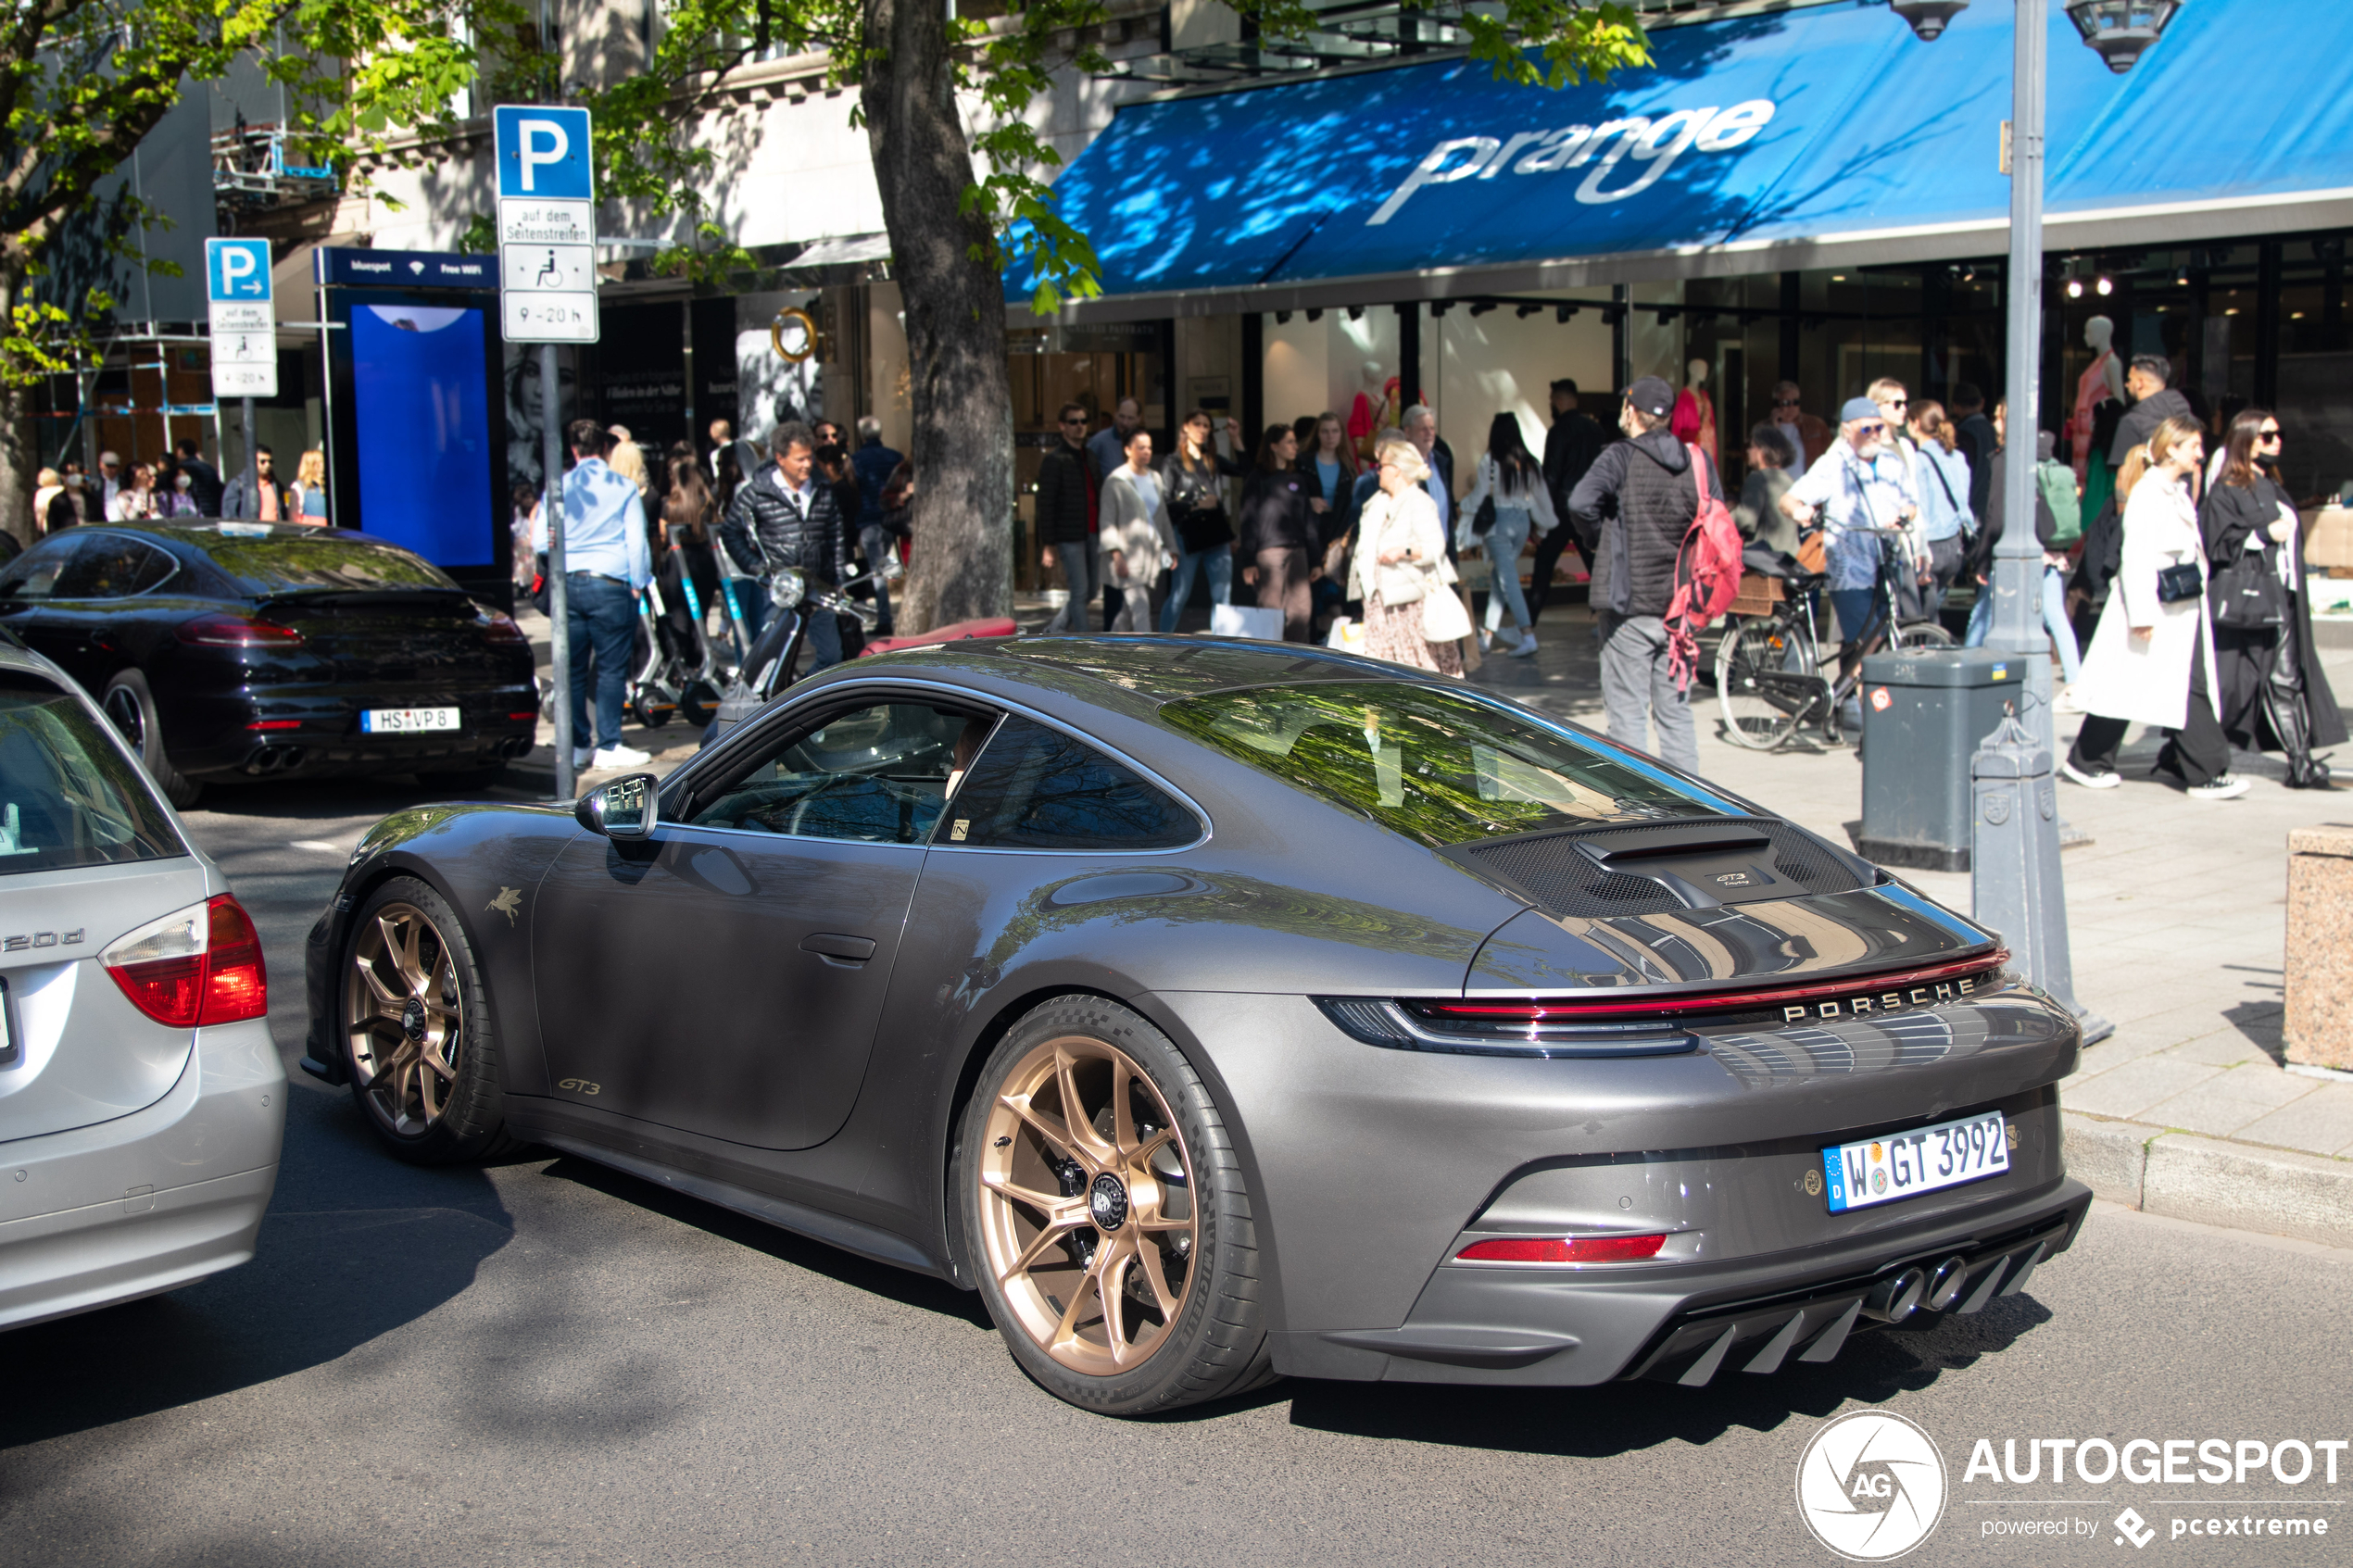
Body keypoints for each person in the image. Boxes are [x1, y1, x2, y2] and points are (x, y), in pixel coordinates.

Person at [2064, 415, 2239, 798]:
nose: (2201, 454)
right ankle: (2206, 771)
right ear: (2171, 448)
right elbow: (2137, 555)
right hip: (2158, 609)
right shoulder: (2150, 492)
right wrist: (2142, 614)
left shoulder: (2173, 490)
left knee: (2135, 684)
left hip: (2175, 609)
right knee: (2178, 684)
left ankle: (2088, 760)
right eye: (2194, 446)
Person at [1568, 376, 1725, 771]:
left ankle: (1634, 812)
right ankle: (1691, 811)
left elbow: (1581, 502)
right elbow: (1717, 516)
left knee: (1627, 718)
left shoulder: (1620, 456)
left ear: (1630, 411)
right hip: (1680, 607)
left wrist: (1600, 538)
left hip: (1629, 606)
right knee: (1676, 714)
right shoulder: (1698, 460)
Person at [2199, 408, 2343, 788]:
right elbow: (2217, 543)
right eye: (2266, 436)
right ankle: (2189, 751)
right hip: (2248, 602)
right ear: (2245, 441)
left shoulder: (2271, 485)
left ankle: (2300, 762)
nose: (2276, 441)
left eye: (2278, 435)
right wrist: (2263, 534)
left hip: (2282, 597)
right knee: (2236, 686)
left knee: (2286, 679)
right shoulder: (2227, 490)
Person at [545, 420, 654, 773]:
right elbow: (636, 542)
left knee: (573, 669)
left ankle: (579, 744)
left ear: (574, 450)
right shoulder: (623, 487)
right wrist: (638, 581)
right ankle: (608, 744)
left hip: (568, 586)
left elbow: (536, 541)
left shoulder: (557, 488)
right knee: (610, 669)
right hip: (610, 584)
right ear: (605, 449)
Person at [1779, 396, 1919, 669]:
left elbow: (1911, 503)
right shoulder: (1832, 464)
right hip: (1850, 569)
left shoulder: (1892, 462)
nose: (1874, 435)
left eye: (1878, 428)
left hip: (1887, 564)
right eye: (1866, 429)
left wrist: (1903, 516)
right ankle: (1863, 706)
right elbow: (1788, 499)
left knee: (1875, 638)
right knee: (1869, 641)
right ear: (1846, 430)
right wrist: (1800, 511)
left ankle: (1847, 701)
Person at [1962, 412, 2081, 707]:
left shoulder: (2006, 460)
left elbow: (1995, 511)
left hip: (2013, 550)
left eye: (2001, 417)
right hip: (2049, 551)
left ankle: (1962, 675)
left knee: (1983, 614)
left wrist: (1983, 558)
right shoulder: (2044, 462)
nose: (1995, 422)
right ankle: (2076, 684)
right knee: (2055, 615)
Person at [719, 420, 851, 673]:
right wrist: (756, 567)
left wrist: (839, 580)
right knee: (773, 660)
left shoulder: (822, 488)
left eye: (809, 457)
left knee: (832, 656)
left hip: (819, 585)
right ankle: (780, 706)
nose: (807, 464)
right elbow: (730, 531)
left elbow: (836, 535)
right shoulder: (757, 491)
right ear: (780, 458)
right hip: (779, 588)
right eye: (799, 459)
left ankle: (803, 701)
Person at [1349, 434, 1462, 676]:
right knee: (1381, 673)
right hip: (1378, 604)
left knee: (1417, 672)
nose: (1377, 472)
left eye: (1382, 467)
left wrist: (1404, 551)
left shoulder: (1419, 502)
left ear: (1397, 469)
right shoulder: (1376, 502)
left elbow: (1435, 547)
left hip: (1409, 607)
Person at [1458, 412, 1557, 659]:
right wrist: (1543, 527)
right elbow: (1542, 499)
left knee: (1507, 580)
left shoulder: (1490, 461)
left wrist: (1462, 507)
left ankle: (1526, 634)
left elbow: (1480, 495)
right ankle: (1488, 636)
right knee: (1501, 576)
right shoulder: (1530, 463)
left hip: (1498, 525)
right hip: (1522, 523)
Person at [1158, 408, 1243, 633]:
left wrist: (1236, 439)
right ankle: (1158, 643)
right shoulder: (1173, 462)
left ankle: (1218, 650)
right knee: (1180, 593)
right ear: (1185, 427)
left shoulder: (1212, 459)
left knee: (1222, 595)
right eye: (1198, 424)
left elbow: (1245, 469)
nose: (1203, 430)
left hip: (1215, 533)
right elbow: (1165, 502)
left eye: (1207, 425)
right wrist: (1196, 504)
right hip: (1187, 532)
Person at [1237, 424, 1319, 642]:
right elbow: (1248, 520)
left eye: (1295, 441)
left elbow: (1308, 520)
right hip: (1269, 553)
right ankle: (1270, 665)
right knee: (1270, 613)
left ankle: (1299, 665)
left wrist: (1316, 559)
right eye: (1289, 442)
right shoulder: (1257, 478)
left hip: (1298, 551)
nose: (1295, 446)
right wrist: (1248, 561)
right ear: (1274, 446)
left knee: (1301, 612)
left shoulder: (1298, 479)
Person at [1533, 379, 1605, 617]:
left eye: (1552, 400)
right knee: (1596, 564)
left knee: (1544, 563)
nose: (1551, 405)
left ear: (1561, 401)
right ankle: (1606, 614)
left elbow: (1551, 475)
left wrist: (1543, 514)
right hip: (1591, 507)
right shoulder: (1596, 430)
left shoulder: (1558, 431)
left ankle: (1529, 622)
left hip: (1563, 509)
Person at [1097, 426, 1177, 633]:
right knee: (1141, 607)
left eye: (1149, 448)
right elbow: (1107, 521)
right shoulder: (1116, 481)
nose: (1146, 452)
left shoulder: (1156, 478)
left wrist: (1171, 547)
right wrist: (1116, 555)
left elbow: (1163, 517)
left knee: (1128, 611)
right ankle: (1149, 656)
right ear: (1127, 449)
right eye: (1141, 447)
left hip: (1149, 556)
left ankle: (1109, 648)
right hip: (1127, 556)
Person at [1036, 401, 1097, 634]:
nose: (1080, 426)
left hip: (1092, 532)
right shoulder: (1054, 460)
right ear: (1062, 426)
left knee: (1090, 591)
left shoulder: (1089, 456)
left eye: (1083, 421)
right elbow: (1046, 504)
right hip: (1069, 536)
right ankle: (1085, 642)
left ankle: (1056, 627)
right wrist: (1048, 545)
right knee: (1080, 592)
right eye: (1074, 421)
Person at [1908, 400, 1974, 618]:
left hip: (1931, 546)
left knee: (1924, 615)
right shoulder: (1957, 457)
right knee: (1933, 606)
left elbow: (1920, 508)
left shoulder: (1919, 460)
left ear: (1915, 424)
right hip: (1954, 545)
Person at [849, 415, 905, 636]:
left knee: (879, 570)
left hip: (871, 522)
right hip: (889, 520)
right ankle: (885, 616)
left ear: (862, 435)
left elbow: (855, 491)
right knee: (885, 568)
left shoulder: (857, 460)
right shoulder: (894, 457)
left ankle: (884, 619)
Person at [661, 457, 724, 649]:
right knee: (701, 613)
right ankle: (700, 657)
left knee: (679, 616)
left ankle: (683, 659)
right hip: (704, 559)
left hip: (677, 560)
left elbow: (663, 535)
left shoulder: (670, 504)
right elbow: (716, 528)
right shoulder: (708, 503)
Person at [2109, 355, 2193, 472]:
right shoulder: (2187, 416)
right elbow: (2196, 470)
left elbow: (2123, 474)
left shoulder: (2131, 421)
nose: (2126, 384)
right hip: (2181, 489)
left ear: (2140, 383)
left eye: (2129, 380)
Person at [1733, 423, 1800, 558]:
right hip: (1790, 559)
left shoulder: (1758, 478)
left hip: (1765, 561)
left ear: (1761, 451)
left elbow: (1746, 518)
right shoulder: (1790, 480)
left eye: (1751, 447)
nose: (1748, 451)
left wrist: (1720, 520)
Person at [1400, 404, 1455, 547]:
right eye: (1424, 429)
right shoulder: (1402, 466)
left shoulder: (1441, 462)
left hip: (1443, 549)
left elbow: (1448, 510)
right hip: (1416, 552)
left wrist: (1452, 555)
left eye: (1432, 428)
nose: (1430, 433)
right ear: (1407, 432)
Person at [1950, 383, 1999, 518]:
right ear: (1982, 402)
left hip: (1971, 506)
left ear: (1956, 407)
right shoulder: (1995, 431)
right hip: (1992, 504)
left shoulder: (1961, 435)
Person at [1770, 382, 1833, 469]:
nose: (1792, 407)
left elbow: (1831, 454)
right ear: (1776, 404)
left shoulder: (1816, 424)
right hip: (1776, 481)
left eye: (1795, 402)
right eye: (1786, 403)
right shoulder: (1764, 427)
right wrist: (1773, 429)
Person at [1087, 397, 1143, 487]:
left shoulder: (1142, 442)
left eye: (1130, 418)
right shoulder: (1099, 441)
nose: (1125, 422)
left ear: (1138, 419)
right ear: (1115, 414)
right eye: (1121, 416)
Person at [221, 445, 282, 521]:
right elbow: (229, 517)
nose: (267, 465)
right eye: (263, 461)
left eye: (270, 462)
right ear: (252, 462)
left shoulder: (276, 486)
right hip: (248, 532)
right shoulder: (238, 485)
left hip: (274, 532)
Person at [172, 439, 224, 515]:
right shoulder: (208, 467)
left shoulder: (183, 469)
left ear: (180, 451)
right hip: (214, 510)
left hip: (195, 513)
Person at [29, 469, 70, 539]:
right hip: (67, 524)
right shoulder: (63, 489)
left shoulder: (41, 493)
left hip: (50, 527)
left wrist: (39, 526)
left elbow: (40, 511)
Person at [291, 450, 329, 522]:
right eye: (322, 461)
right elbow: (294, 517)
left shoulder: (327, 485)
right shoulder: (299, 486)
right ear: (313, 465)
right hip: (310, 532)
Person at [96, 450, 122, 517]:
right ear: (101, 465)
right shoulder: (95, 483)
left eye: (114, 466)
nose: (112, 470)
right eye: (109, 466)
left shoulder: (123, 481)